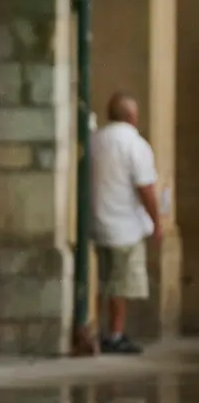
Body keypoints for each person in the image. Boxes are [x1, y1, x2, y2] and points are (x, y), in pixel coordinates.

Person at [91, 92, 162, 354]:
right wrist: (157, 222)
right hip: (125, 228)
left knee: (100, 282)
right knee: (119, 286)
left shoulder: (95, 139)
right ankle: (116, 334)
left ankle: (94, 331)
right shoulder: (135, 144)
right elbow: (146, 189)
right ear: (133, 116)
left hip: (96, 224)